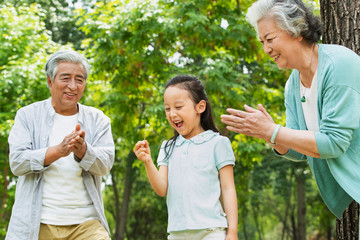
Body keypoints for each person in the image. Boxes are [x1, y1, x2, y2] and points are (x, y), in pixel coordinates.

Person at [221, 0, 360, 227]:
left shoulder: (339, 64)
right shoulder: (293, 84)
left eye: (270, 39)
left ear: (296, 30)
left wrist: (274, 130)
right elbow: (299, 151)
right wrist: (269, 135)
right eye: (262, 42)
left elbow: (334, 142)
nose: (266, 49)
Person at [6, 50, 115, 240]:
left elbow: (105, 165)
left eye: (79, 80)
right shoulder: (27, 116)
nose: (72, 86)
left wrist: (83, 151)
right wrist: (58, 151)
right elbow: (17, 162)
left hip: (86, 223)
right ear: (50, 81)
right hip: (37, 223)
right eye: (65, 78)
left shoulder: (99, 119)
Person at [134, 75, 238, 240]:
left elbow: (228, 189)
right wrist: (147, 162)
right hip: (177, 232)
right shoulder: (168, 147)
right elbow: (161, 189)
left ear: (200, 107)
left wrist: (232, 232)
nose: (172, 114)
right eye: (167, 109)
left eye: (178, 107)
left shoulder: (218, 143)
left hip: (212, 231)